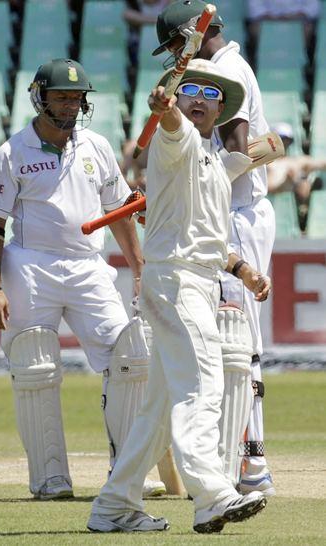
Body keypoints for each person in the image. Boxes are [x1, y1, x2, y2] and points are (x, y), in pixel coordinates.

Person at [87, 59, 271, 534]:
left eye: (211, 95)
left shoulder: (212, 161)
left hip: (194, 279)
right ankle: (212, 495)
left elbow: (208, 235)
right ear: (175, 95)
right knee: (204, 386)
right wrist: (165, 109)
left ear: (222, 109)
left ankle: (113, 506)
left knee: (160, 412)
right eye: (190, 89)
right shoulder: (181, 141)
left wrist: (244, 269)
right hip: (177, 282)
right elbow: (171, 124)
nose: (199, 100)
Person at [0, 58, 164, 500]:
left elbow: (122, 212)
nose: (71, 104)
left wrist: (138, 268)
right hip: (30, 265)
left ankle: (127, 470)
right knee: (35, 366)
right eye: (61, 96)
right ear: (40, 97)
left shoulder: (96, 146)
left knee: (130, 357)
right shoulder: (12, 153)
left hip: (88, 266)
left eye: (77, 97)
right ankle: (49, 478)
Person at [152, 0, 276, 496]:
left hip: (234, 213)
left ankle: (252, 464)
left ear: (192, 33)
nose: (172, 57)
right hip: (223, 209)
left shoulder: (223, 70)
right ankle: (246, 463)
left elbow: (236, 152)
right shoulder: (223, 65)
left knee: (237, 343)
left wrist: (184, 186)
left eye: (174, 45)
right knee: (229, 342)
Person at [268, 122, 326, 232]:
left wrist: (296, 180)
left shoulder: (296, 162)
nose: (283, 143)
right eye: (280, 139)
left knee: (303, 181)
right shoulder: (265, 165)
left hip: (291, 208)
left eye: (287, 140)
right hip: (267, 211)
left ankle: (303, 214)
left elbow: (320, 164)